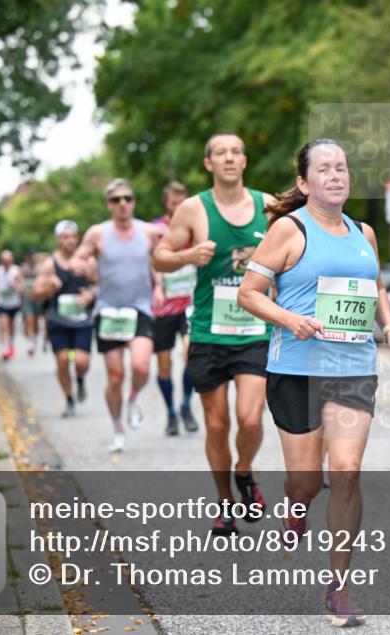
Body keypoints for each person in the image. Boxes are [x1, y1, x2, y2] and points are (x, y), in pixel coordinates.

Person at [237, 138, 390, 627]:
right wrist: (289, 319)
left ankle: (338, 588)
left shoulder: (364, 233)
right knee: (306, 481)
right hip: (296, 370)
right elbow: (249, 295)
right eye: (325, 169)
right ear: (304, 182)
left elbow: (374, 286)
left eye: (342, 167)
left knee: (348, 470)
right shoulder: (287, 230)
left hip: (352, 368)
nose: (336, 175)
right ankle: (297, 505)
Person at [153, 132, 271, 535]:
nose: (229, 158)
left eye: (236, 152)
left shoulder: (267, 206)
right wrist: (187, 255)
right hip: (208, 331)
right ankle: (224, 504)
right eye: (220, 153)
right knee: (217, 425)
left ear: (244, 160)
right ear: (209, 164)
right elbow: (161, 256)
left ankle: (244, 473)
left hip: (255, 329)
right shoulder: (192, 209)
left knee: (251, 419)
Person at [73, 179, 165, 453]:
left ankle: (133, 397)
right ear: (109, 204)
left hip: (140, 308)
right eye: (116, 200)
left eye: (127, 198)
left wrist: (159, 286)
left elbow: (157, 260)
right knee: (115, 377)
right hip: (109, 311)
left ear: (133, 202)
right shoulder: (97, 233)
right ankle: (117, 428)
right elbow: (79, 256)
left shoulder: (148, 231)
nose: (122, 204)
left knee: (141, 367)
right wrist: (79, 263)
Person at [33, 220, 96, 418]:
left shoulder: (89, 261)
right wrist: (50, 286)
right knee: (61, 361)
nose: (70, 240)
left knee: (81, 362)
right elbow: (36, 292)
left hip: (82, 320)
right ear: (58, 240)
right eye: (65, 237)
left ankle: (80, 379)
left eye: (72, 236)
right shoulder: (50, 264)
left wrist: (91, 295)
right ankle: (69, 399)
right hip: (58, 320)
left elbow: (100, 284)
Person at [151, 181, 199, 436]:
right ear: (166, 203)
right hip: (163, 307)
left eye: (182, 201)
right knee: (164, 365)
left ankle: (185, 405)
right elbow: (152, 260)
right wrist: (157, 286)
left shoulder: (195, 227)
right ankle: (170, 411)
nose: (178, 206)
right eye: (173, 202)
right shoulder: (156, 229)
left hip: (189, 302)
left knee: (191, 354)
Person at [21, 249, 46, 356]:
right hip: (27, 298)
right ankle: (31, 342)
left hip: (39, 299)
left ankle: (35, 339)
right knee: (29, 319)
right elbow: (19, 281)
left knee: (36, 321)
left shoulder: (41, 268)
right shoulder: (23, 268)